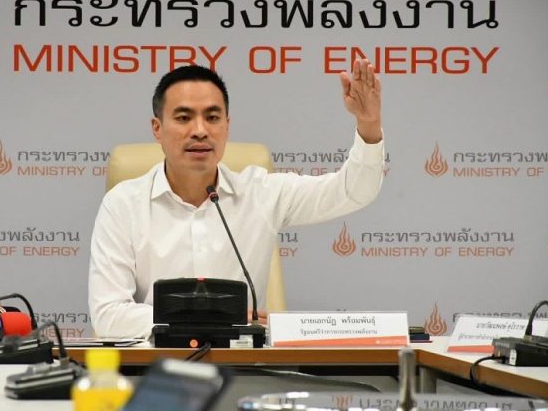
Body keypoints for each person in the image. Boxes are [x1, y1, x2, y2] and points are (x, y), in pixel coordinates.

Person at [89, 59, 384, 338]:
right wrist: (211, 321)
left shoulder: (261, 194)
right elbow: (108, 314)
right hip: (155, 364)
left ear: (226, 126)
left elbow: (353, 191)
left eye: (212, 117)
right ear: (158, 128)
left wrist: (369, 124)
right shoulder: (123, 205)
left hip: (243, 365)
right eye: (183, 118)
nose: (200, 131)